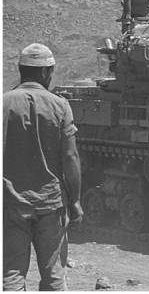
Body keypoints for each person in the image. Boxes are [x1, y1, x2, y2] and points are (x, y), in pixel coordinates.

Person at [3, 43, 83, 291]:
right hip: (51, 203)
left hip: (10, 202)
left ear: (21, 70)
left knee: (11, 273)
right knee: (54, 276)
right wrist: (76, 201)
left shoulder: (4, 103)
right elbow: (70, 157)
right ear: (46, 72)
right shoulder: (60, 106)